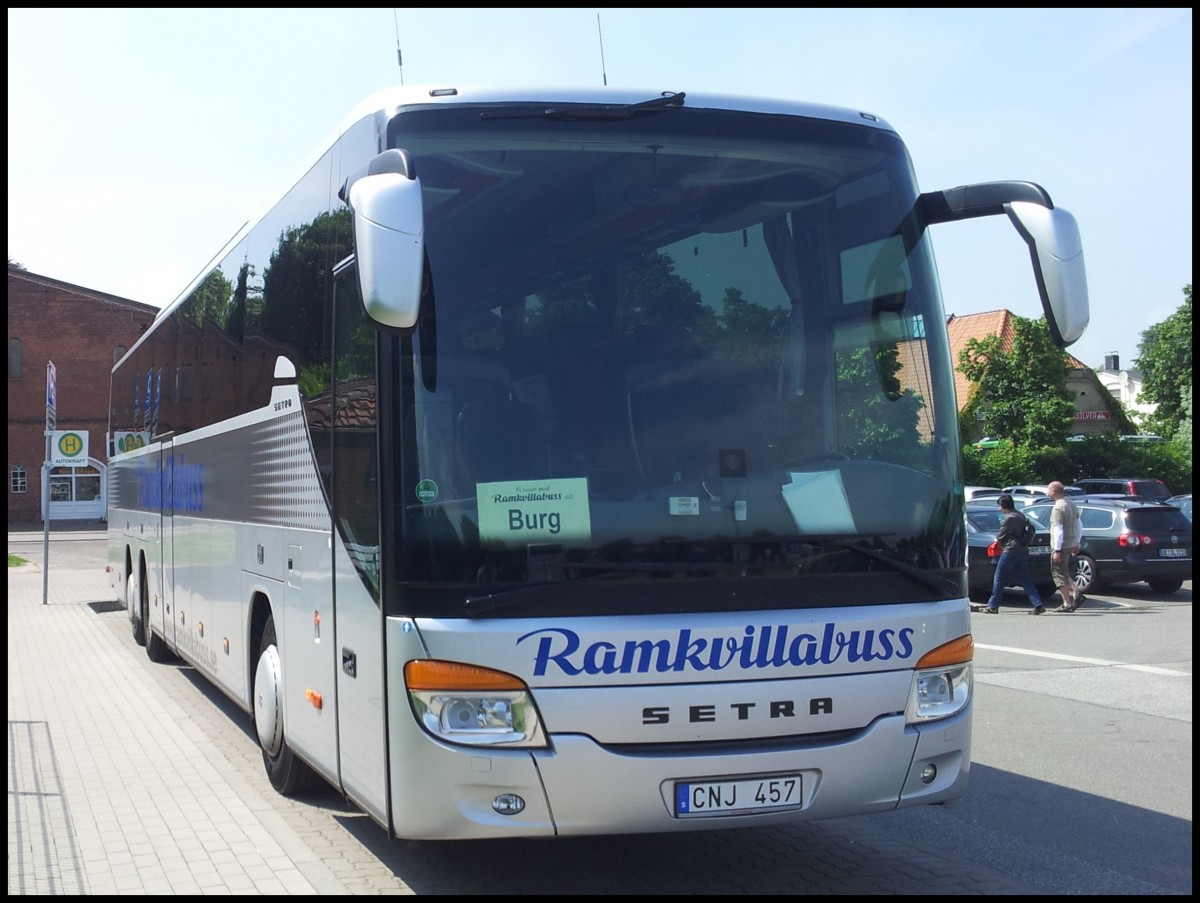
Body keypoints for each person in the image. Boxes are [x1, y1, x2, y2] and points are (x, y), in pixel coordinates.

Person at [971, 494, 1045, 615]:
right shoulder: (1020, 514)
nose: (999, 508)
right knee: (1025, 579)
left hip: (1011, 550)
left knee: (999, 577)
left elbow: (1000, 535)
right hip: (1023, 549)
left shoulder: (1010, 518)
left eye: (1000, 506)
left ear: (1004, 506)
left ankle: (993, 606)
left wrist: (997, 539)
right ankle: (1038, 604)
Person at [1047, 480, 1084, 612]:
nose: (1048, 493)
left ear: (1054, 492)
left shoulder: (1058, 507)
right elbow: (1079, 524)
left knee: (1059, 574)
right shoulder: (1071, 504)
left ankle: (1067, 603)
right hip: (1071, 542)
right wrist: (1077, 542)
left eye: (1049, 490)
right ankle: (1075, 593)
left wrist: (1057, 549)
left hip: (1061, 545)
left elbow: (1058, 529)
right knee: (1064, 571)